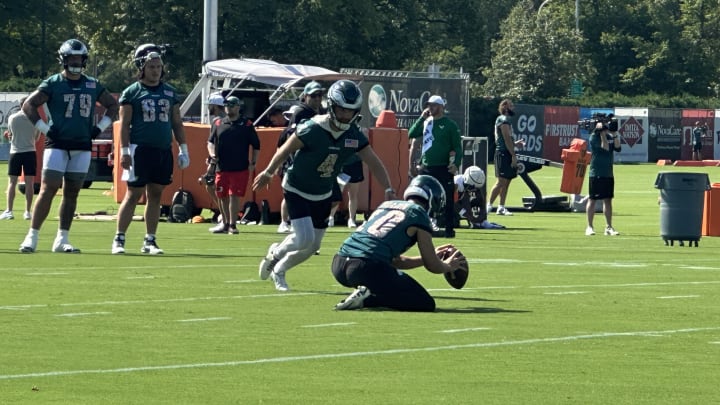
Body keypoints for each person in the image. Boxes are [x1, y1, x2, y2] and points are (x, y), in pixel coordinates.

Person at [253, 80, 396, 292]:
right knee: (304, 238)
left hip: (323, 192)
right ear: (331, 106)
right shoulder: (313, 127)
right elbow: (284, 149)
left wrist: (388, 188)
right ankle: (275, 254)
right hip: (297, 187)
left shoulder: (353, 135)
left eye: (350, 111)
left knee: (313, 246)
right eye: (341, 110)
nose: (346, 116)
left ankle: (280, 270)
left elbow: (374, 162)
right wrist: (268, 171)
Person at [19, 39, 119, 253]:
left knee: (72, 192)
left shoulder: (92, 84)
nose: (76, 61)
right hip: (57, 143)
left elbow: (113, 105)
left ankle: (61, 239)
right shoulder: (53, 83)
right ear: (63, 59)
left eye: (79, 58)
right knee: (48, 189)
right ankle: (32, 236)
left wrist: (99, 128)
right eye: (71, 58)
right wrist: (44, 128)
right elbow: (29, 104)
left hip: (82, 144)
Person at [331, 175, 467, 311]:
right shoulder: (419, 214)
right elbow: (432, 266)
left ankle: (366, 293)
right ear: (432, 200)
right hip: (366, 267)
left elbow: (395, 261)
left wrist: (428, 257)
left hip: (339, 264)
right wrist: (448, 265)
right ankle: (368, 299)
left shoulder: (386, 205)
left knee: (387, 281)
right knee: (424, 302)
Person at [111, 43, 190, 254]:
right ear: (142, 67)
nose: (156, 71)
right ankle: (119, 238)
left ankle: (150, 240)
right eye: (152, 67)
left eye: (158, 66)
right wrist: (125, 152)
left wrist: (183, 148)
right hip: (140, 149)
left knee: (156, 194)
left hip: (162, 149)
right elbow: (124, 126)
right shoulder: (132, 93)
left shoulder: (170, 92)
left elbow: (177, 123)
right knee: (133, 193)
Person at [408, 95, 462, 238]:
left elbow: (457, 147)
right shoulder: (427, 123)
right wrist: (421, 118)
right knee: (423, 197)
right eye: (429, 105)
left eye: (433, 105)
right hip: (426, 167)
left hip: (443, 167)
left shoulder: (450, 125)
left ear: (441, 107)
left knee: (448, 198)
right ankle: (423, 226)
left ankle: (449, 229)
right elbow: (411, 133)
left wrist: (456, 164)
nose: (430, 108)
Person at [276, 82, 326, 234]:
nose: (317, 98)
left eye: (319, 95)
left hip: (317, 160)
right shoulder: (301, 112)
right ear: (305, 96)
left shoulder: (323, 112)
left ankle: (304, 227)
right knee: (294, 193)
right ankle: (286, 223)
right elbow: (293, 139)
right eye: (313, 95)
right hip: (300, 160)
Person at [207, 96, 260, 234]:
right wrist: (212, 154)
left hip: (239, 166)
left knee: (234, 196)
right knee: (221, 195)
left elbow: (256, 145)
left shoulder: (247, 124)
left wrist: (253, 162)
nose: (229, 107)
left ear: (238, 107)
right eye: (227, 105)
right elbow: (211, 142)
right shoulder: (218, 123)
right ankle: (224, 222)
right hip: (221, 166)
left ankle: (232, 224)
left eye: (232, 105)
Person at [2, 97, 40, 221]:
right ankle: (27, 212)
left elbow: (10, 135)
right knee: (29, 183)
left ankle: (9, 210)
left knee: (12, 182)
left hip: (15, 152)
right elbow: (37, 138)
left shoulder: (12, 118)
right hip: (30, 152)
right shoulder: (35, 120)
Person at [487, 99, 525, 216]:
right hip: (503, 153)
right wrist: (513, 155)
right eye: (511, 105)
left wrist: (516, 143)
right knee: (501, 181)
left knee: (507, 181)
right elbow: (506, 139)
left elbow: (508, 139)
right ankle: (488, 206)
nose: (513, 107)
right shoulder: (503, 120)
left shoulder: (506, 120)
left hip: (507, 152)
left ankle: (501, 207)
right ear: (506, 107)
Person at [585, 121, 621, 236]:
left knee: (608, 200)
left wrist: (614, 133)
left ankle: (609, 227)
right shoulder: (593, 137)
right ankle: (589, 226)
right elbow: (605, 147)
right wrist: (601, 134)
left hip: (608, 173)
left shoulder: (610, 136)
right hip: (596, 173)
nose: (606, 129)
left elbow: (618, 147)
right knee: (592, 200)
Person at [201, 92, 226, 223]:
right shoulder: (227, 119)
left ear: (215, 106)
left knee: (212, 185)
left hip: (219, 160)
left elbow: (214, 142)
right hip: (224, 158)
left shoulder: (216, 121)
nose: (208, 108)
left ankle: (225, 215)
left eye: (210, 105)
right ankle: (225, 214)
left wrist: (212, 161)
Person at [327, 155, 364, 228]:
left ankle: (351, 220)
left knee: (353, 194)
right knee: (337, 192)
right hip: (340, 164)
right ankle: (330, 217)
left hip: (355, 163)